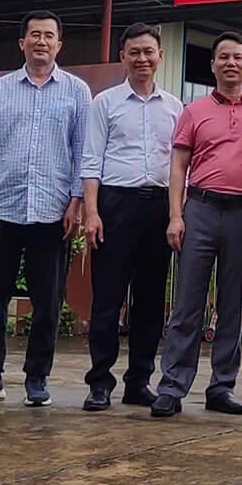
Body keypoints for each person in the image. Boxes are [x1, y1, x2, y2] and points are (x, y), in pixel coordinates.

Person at [0, 9, 90, 407]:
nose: (41, 41)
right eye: (35, 34)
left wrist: (76, 203)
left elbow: (82, 153)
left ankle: (37, 378)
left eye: (49, 35)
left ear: (59, 44)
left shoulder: (77, 91)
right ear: (22, 42)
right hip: (1, 208)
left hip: (52, 211)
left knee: (47, 301)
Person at [152, 31, 242, 418]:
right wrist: (175, 215)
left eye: (238, 57)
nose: (231, 63)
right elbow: (178, 167)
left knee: (233, 304)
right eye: (224, 57)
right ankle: (172, 386)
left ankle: (222, 386)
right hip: (200, 209)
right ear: (213, 64)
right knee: (188, 303)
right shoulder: (194, 111)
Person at [79, 23, 182, 411]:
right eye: (134, 52)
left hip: (158, 206)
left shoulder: (174, 107)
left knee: (150, 300)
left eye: (148, 52)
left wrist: (177, 213)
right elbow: (91, 160)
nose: (142, 59)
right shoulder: (104, 103)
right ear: (122, 57)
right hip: (115, 205)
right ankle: (99, 382)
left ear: (160, 56)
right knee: (107, 297)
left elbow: (180, 167)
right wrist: (92, 212)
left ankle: (139, 380)